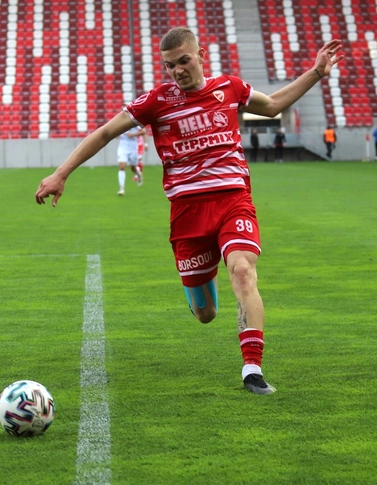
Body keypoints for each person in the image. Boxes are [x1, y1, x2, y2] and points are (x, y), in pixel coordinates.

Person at [35, 27, 343, 395]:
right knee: (205, 314)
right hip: (187, 213)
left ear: (200, 55)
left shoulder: (229, 88)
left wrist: (316, 72)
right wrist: (61, 173)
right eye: (170, 65)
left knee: (242, 272)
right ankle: (202, 293)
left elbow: (274, 105)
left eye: (183, 61)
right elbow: (105, 133)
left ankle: (252, 370)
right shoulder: (156, 101)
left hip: (232, 200)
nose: (178, 70)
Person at [116, 125, 145, 196]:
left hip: (133, 147)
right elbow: (115, 132)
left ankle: (138, 173)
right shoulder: (120, 122)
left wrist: (133, 134)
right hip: (122, 147)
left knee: (133, 168)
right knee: (122, 167)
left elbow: (143, 131)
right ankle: (121, 189)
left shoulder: (134, 123)